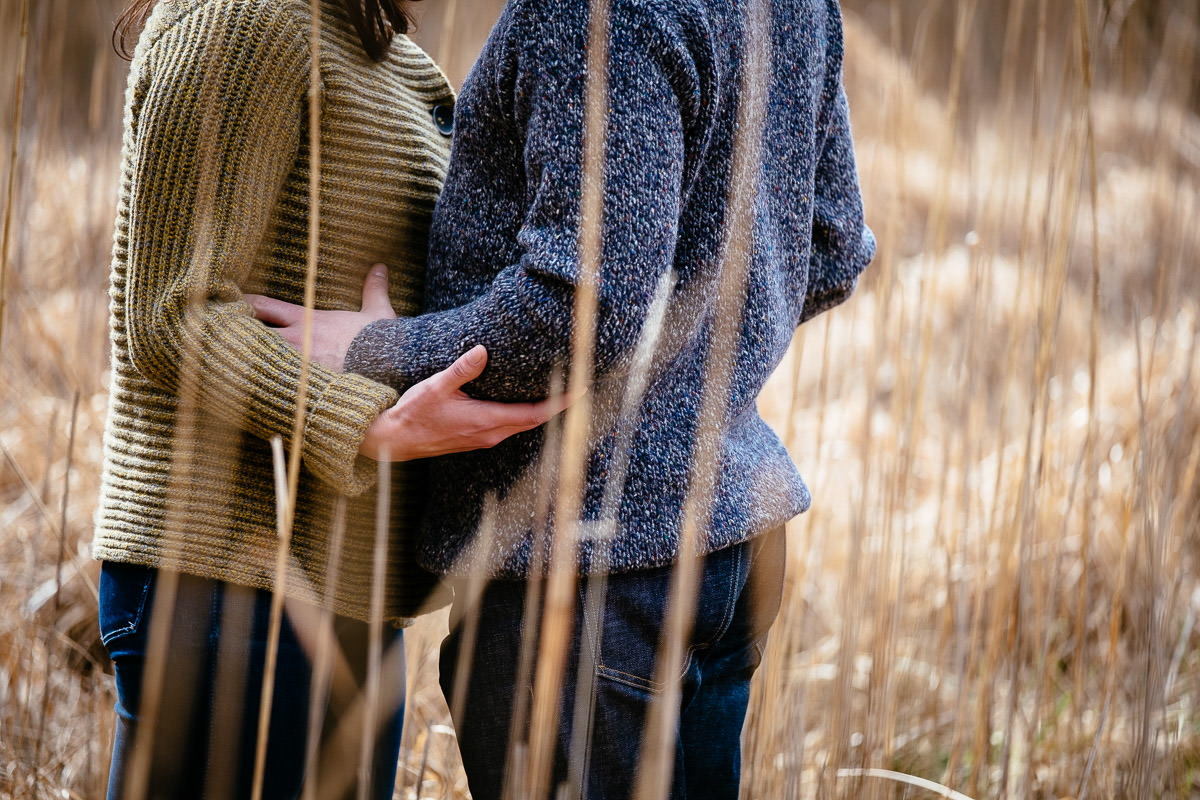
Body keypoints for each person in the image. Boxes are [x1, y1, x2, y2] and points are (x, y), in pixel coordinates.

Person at [254, 0, 875, 796]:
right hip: (728, 539)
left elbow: (579, 310)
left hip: (586, 561)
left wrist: (380, 351)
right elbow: (831, 246)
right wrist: (693, 376)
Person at [93, 1, 567, 798]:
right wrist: (360, 419)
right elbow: (170, 312)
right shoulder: (246, 20)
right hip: (227, 582)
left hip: (340, 589)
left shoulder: (388, 54)